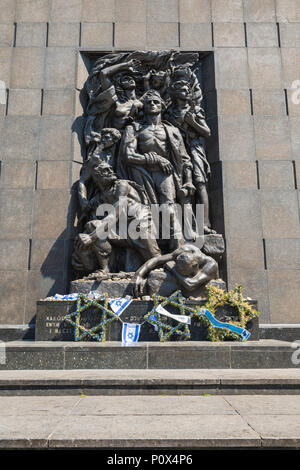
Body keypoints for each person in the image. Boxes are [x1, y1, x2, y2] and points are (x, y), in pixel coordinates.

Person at [120, 89, 195, 249]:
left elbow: (184, 159)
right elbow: (128, 155)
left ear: (162, 105)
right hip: (141, 173)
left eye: (155, 102)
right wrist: (152, 158)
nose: (152, 105)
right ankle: (152, 254)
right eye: (148, 103)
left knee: (168, 210)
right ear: (144, 107)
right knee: (143, 213)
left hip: (165, 174)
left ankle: (179, 250)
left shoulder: (173, 131)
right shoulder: (134, 128)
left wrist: (188, 182)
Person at [72, 163, 161, 276]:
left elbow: (115, 213)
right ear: (97, 178)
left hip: (139, 224)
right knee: (92, 225)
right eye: (105, 170)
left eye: (110, 168)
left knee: (156, 261)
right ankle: (106, 269)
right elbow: (85, 206)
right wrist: (82, 182)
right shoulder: (99, 197)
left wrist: (91, 237)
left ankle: (157, 268)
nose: (110, 171)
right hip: (120, 228)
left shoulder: (121, 185)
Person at [165, 79, 215, 234]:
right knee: (177, 185)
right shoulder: (168, 112)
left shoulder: (195, 111)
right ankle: (178, 224)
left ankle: (204, 224)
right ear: (175, 93)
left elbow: (206, 132)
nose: (186, 92)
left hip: (194, 148)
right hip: (176, 150)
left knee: (200, 183)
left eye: (187, 89)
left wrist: (192, 122)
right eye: (182, 89)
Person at [134, 244, 218, 298]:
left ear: (195, 266)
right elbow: (157, 260)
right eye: (176, 266)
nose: (178, 270)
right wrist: (139, 274)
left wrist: (172, 269)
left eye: (182, 271)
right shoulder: (186, 249)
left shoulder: (211, 265)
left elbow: (191, 284)